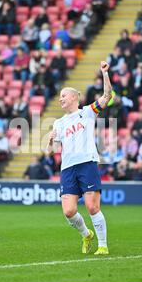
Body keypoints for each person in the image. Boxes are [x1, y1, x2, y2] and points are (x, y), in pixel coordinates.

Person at [47, 61, 112, 255]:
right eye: (59, 97)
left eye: (63, 96)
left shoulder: (87, 112)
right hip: (68, 168)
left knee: (92, 207)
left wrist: (105, 73)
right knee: (68, 211)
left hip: (87, 164)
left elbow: (107, 96)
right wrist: (50, 142)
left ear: (75, 97)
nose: (60, 99)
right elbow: (51, 151)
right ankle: (86, 234)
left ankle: (102, 245)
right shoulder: (58, 123)